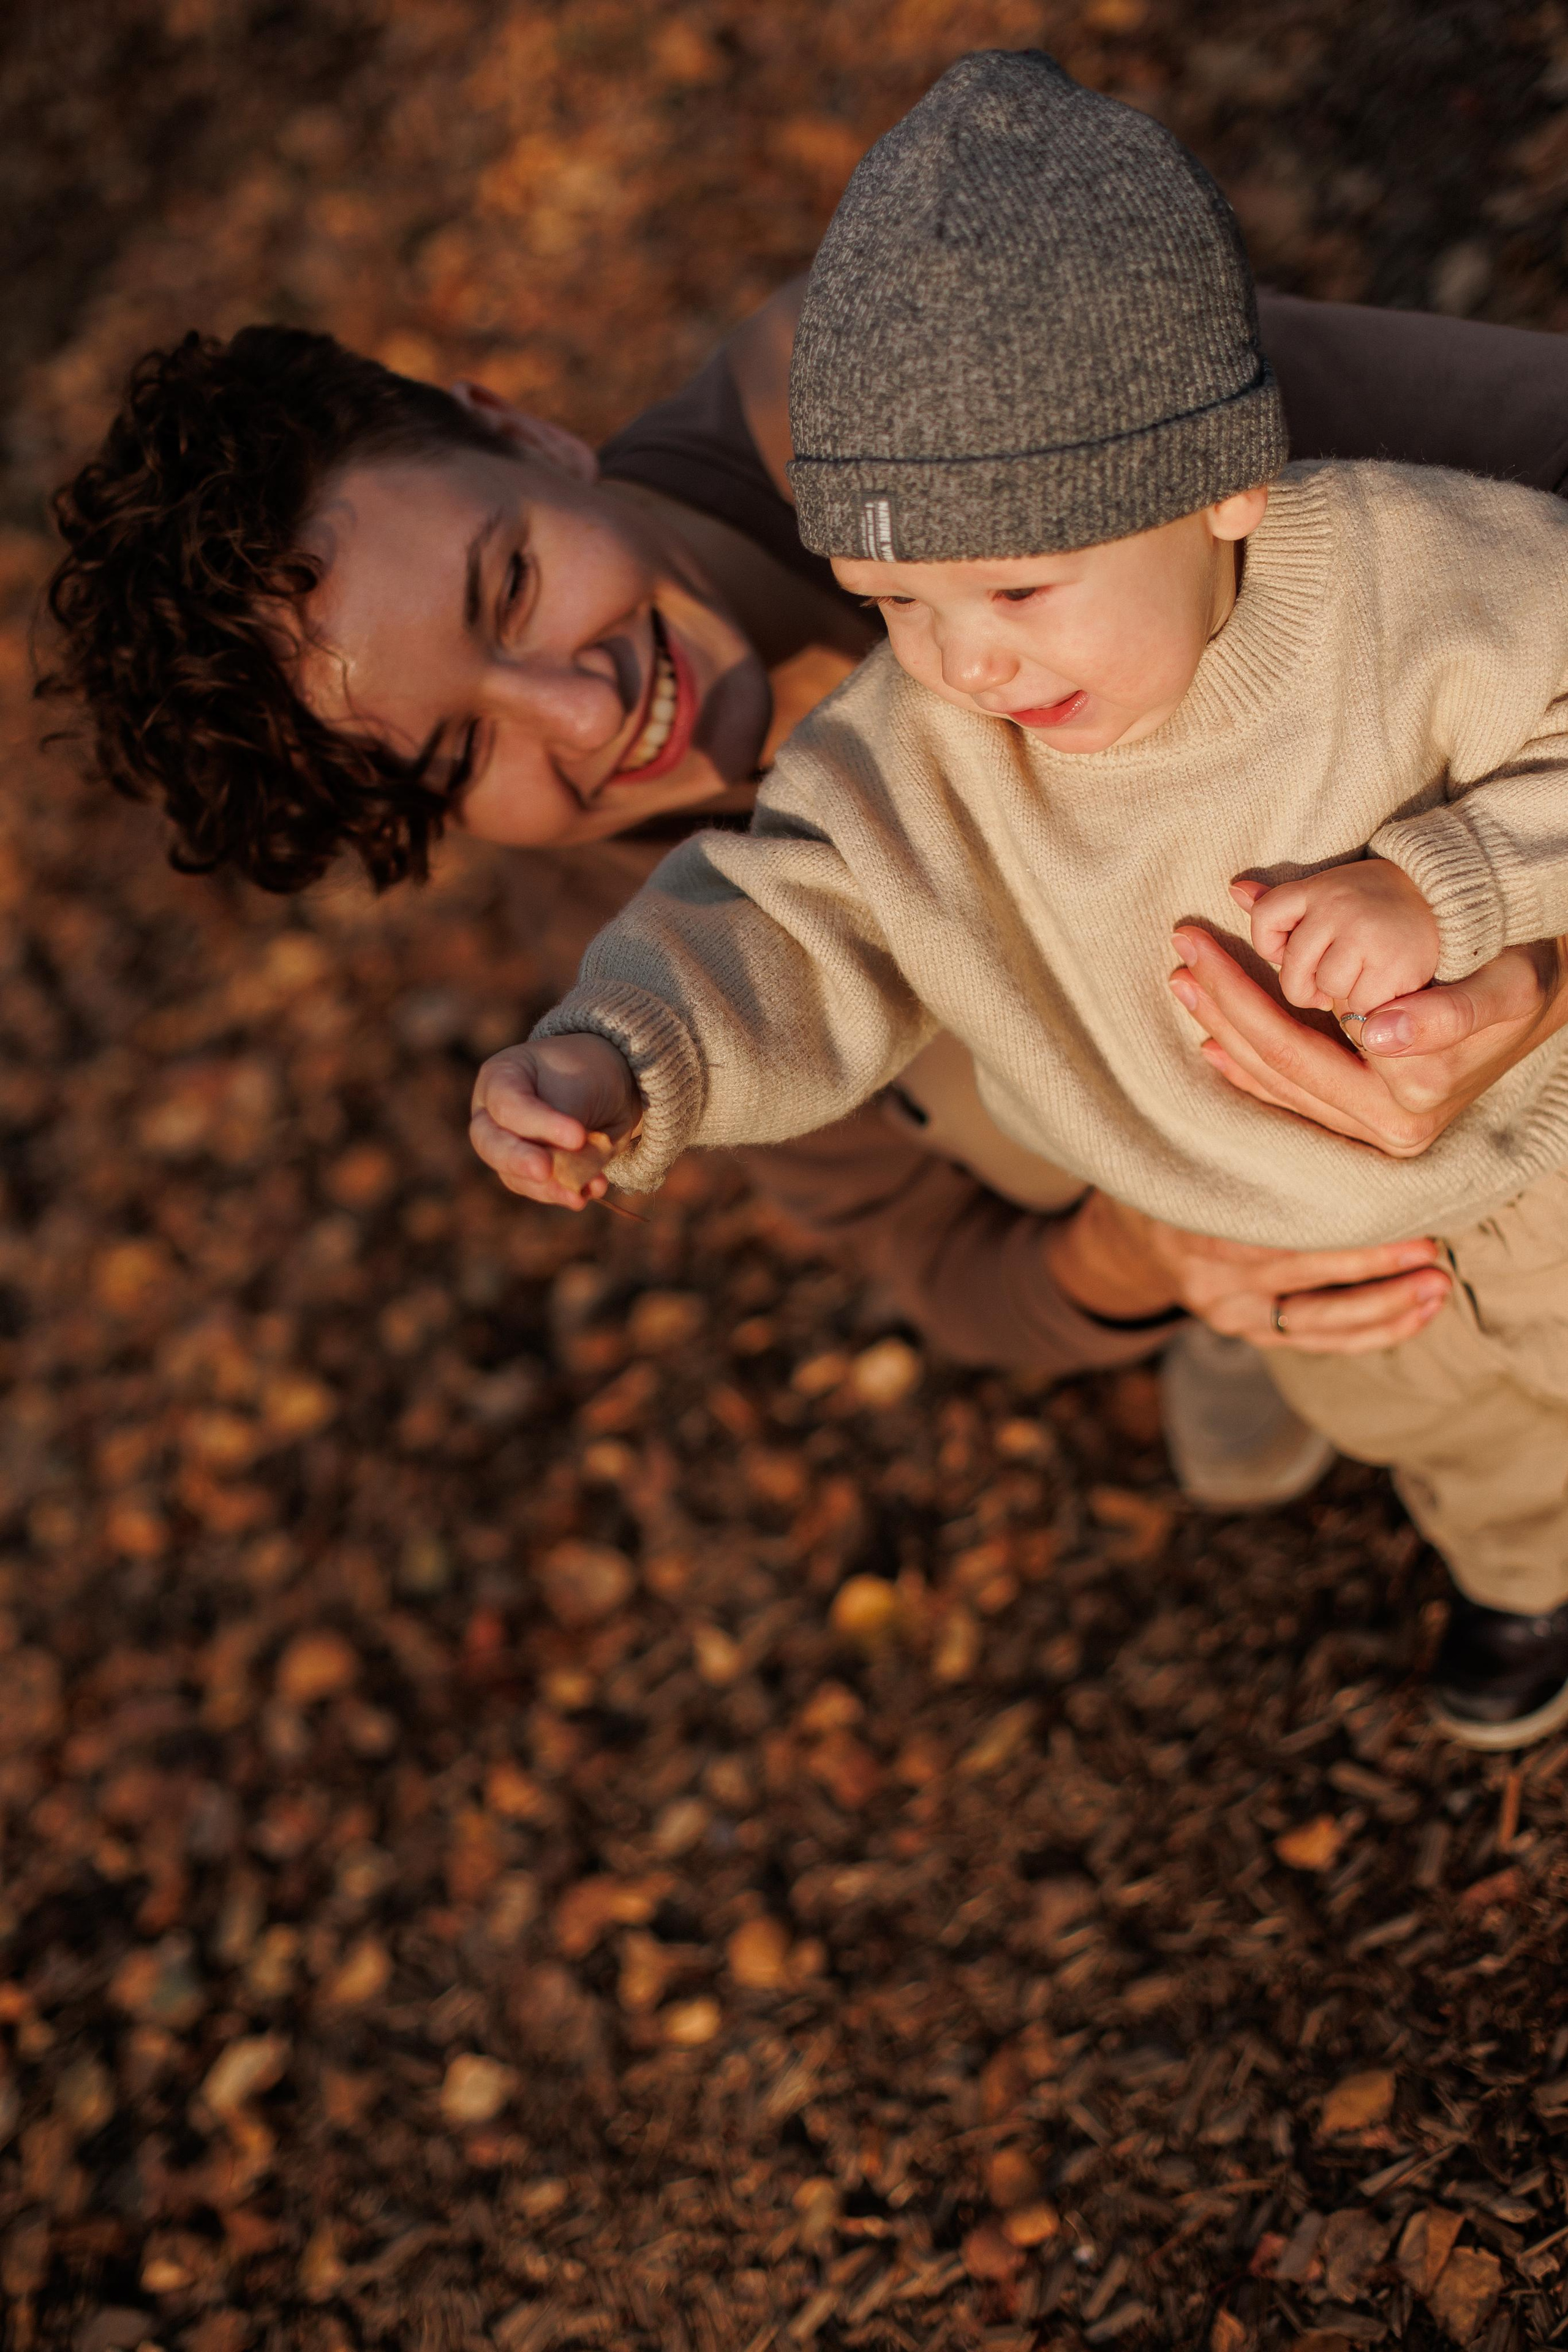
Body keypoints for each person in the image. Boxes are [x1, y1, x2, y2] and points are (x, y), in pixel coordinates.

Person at [39, 133, 1568, 1502]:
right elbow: (936, 1257)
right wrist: (1158, 1247)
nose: (579, 711)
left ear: (521, 434)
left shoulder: (940, 382)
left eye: (509, 584)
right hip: (1244, 1182)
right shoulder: (625, 911)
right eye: (458, 752)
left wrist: (1525, 954)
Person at [471, 50, 1568, 1751]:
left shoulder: (1418, 578)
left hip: (1548, 1142)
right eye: (893, 601)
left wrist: (1454, 884)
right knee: (1452, 1437)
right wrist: (626, 1052)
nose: (964, 662)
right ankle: (1524, 1570)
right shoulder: (919, 746)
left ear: (1223, 484)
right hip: (1309, 1247)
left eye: (1019, 587)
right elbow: (790, 910)